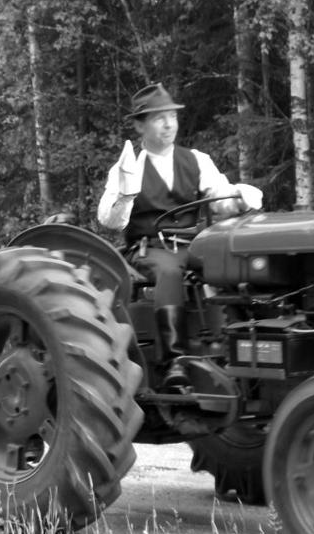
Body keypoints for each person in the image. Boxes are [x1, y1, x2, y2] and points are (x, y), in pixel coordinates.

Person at [97, 82, 263, 388]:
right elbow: (110, 220)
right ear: (139, 125)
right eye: (159, 118)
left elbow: (221, 197)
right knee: (170, 271)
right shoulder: (128, 167)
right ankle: (174, 361)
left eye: (171, 116)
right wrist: (124, 192)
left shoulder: (196, 160)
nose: (168, 123)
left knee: (236, 264)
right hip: (149, 249)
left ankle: (243, 348)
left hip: (194, 245)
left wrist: (239, 195)